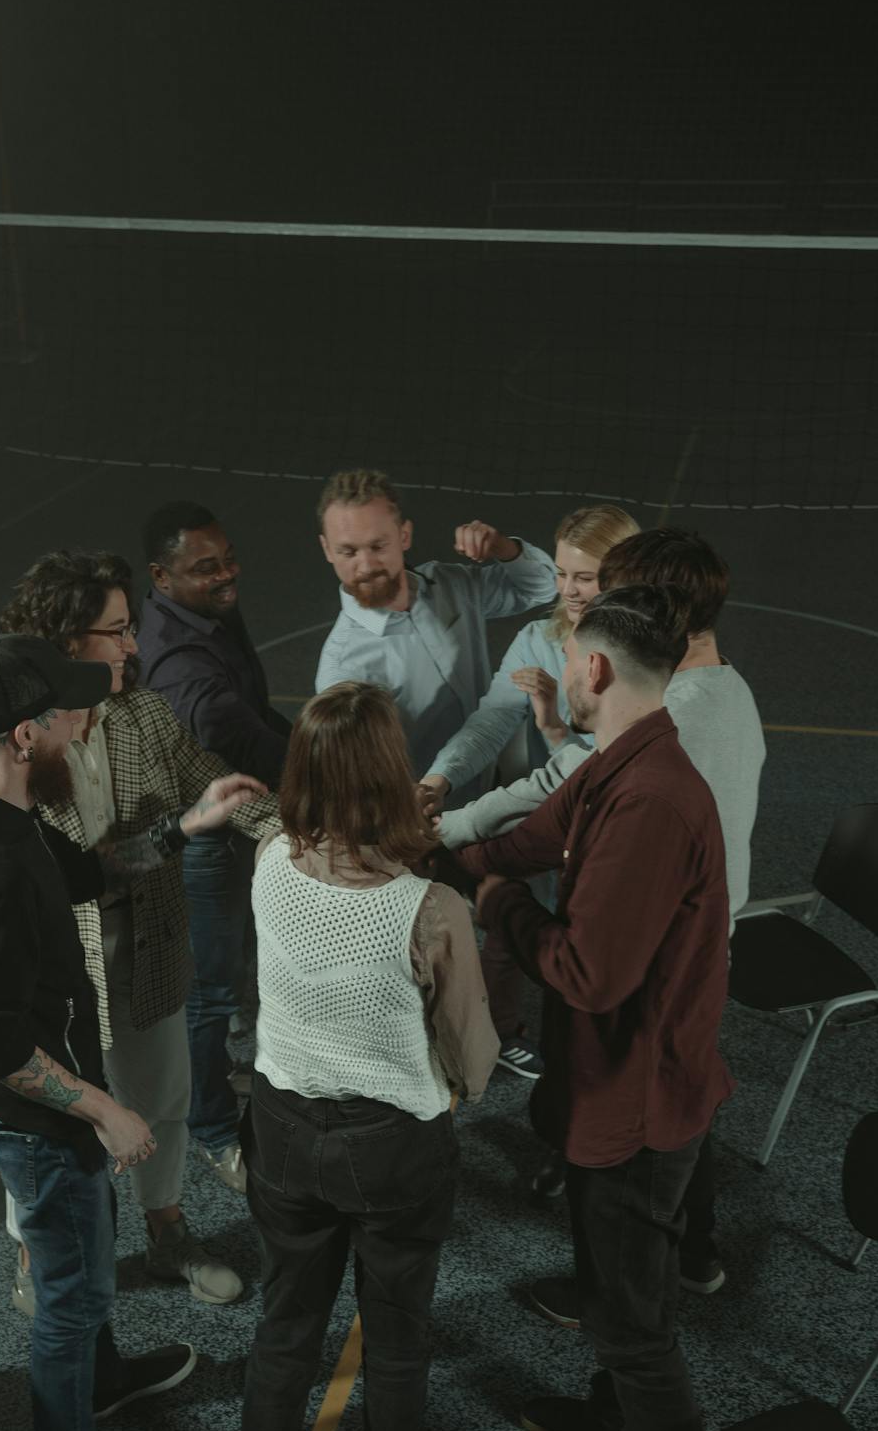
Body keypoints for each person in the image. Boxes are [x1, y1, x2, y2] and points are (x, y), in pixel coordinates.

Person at [0, 632, 264, 1431]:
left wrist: (182, 828)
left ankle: (104, 1380)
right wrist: (101, 1111)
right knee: (68, 1298)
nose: (87, 727)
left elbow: (78, 872)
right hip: (39, 1119)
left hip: (53, 1103)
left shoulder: (2, 814)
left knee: (83, 1255)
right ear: (26, 737)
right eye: (71, 716)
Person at [452, 586, 733, 1431]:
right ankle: (615, 1415)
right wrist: (447, 855)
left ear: (597, 669)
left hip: (641, 1102)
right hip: (609, 1089)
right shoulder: (623, 757)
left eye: (569, 653)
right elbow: (531, 838)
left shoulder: (654, 799)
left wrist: (492, 906)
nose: (564, 666)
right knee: (619, 1282)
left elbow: (589, 975)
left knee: (635, 1322)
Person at [0, 551, 278, 1308]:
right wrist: (174, 832)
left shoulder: (145, 716)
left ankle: (168, 1233)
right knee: (47, 1126)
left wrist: (313, 849)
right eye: (117, 631)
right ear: (64, 643)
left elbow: (219, 792)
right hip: (59, 967)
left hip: (148, 943)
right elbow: (35, 881)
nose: (133, 647)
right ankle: (35, 1250)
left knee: (162, 1097)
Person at [440, 528, 765, 1287]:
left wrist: (472, 868)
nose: (590, 601)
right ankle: (689, 1255)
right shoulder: (711, 692)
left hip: (668, 944)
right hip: (692, 934)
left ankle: (630, 1288)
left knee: (641, 1108)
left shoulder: (667, 727)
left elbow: (557, 789)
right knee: (678, 1093)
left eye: (615, 595)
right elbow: (563, 801)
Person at [239, 682, 498, 1431]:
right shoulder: (430, 910)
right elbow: (475, 1057)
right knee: (394, 1330)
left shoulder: (269, 860)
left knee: (285, 1325)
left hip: (280, 1127)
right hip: (391, 1144)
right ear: (393, 773)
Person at [416, 505, 639, 1081]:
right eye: (562, 574)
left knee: (592, 943)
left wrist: (554, 731)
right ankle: (502, 1031)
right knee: (509, 913)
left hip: (612, 824)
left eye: (583, 578)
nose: (566, 590)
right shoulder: (540, 638)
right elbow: (490, 721)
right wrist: (440, 779)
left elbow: (596, 763)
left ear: (622, 575)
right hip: (544, 813)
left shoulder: (641, 655)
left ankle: (588, 1057)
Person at [139, 503, 293, 1193]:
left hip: (234, 819)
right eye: (206, 568)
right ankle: (209, 1128)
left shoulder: (205, 615)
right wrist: (320, 769)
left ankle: (218, 1079)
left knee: (231, 977)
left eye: (228, 557)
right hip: (208, 839)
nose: (227, 574)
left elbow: (256, 710)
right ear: (161, 576)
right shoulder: (180, 664)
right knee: (207, 994)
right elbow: (235, 730)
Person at [314, 468, 558, 807]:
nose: (366, 565)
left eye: (378, 545)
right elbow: (360, 787)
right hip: (431, 817)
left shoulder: (450, 584)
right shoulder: (342, 672)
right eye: (348, 552)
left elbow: (542, 587)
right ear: (327, 549)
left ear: (404, 536)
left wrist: (503, 548)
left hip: (494, 782)